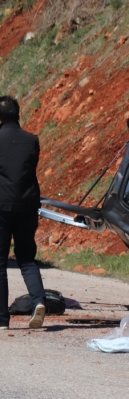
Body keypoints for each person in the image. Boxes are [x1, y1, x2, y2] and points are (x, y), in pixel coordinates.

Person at [0, 96, 46, 330]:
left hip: (2, 207)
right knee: (27, 258)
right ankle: (38, 301)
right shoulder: (32, 141)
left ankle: (2, 320)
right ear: (18, 114)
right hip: (27, 207)